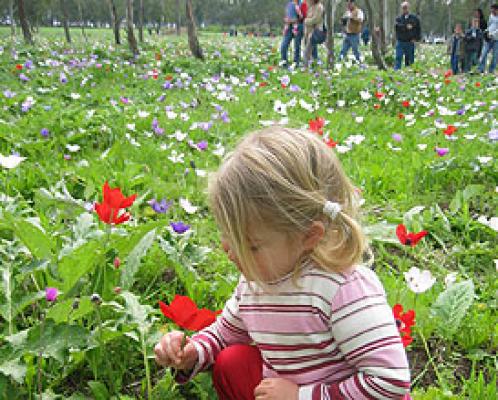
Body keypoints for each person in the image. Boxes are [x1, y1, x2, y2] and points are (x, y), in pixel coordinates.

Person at [154, 127, 412, 400]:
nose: (230, 251)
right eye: (227, 236)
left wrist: (303, 396)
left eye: (251, 245)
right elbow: (223, 335)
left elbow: (390, 382)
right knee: (233, 362)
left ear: (309, 236)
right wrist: (192, 352)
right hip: (287, 391)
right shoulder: (256, 282)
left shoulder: (342, 289)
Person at [394, 1, 421, 70]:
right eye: (403, 8)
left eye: (406, 8)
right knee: (398, 57)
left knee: (409, 59)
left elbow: (418, 29)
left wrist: (416, 39)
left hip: (410, 42)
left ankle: (409, 73)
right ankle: (396, 71)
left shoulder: (414, 18)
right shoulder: (399, 18)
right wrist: (406, 27)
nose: (405, 9)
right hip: (400, 41)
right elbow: (397, 27)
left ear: (409, 8)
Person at [280, 0, 307, 67]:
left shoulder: (302, 3)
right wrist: (286, 21)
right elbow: (287, 15)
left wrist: (299, 14)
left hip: (298, 26)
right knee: (284, 45)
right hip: (289, 26)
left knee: (297, 45)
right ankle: (284, 62)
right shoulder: (289, 3)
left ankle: (296, 62)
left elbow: (303, 17)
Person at [304, 0, 325, 66]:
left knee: (307, 52)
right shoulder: (311, 7)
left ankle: (306, 66)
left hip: (315, 31)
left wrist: (306, 21)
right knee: (313, 51)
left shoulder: (319, 7)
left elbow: (316, 19)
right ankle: (314, 65)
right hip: (308, 32)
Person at [478, 4, 498, 74]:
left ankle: (491, 71)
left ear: (496, 10)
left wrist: (492, 34)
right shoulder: (491, 16)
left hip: (496, 40)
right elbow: (489, 25)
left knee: (495, 56)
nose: (491, 11)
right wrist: (486, 31)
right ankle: (480, 69)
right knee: (483, 53)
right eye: (491, 10)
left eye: (493, 10)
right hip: (488, 39)